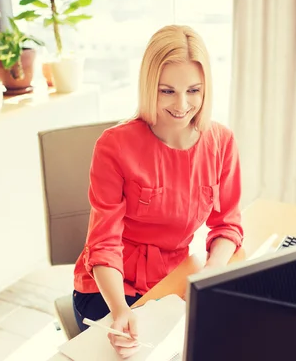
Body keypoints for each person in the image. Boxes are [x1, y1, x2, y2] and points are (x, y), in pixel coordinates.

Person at [71, 25, 243, 358]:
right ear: (150, 87)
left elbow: (229, 224)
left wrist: (212, 269)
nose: (182, 105)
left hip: (173, 281)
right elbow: (103, 244)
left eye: (194, 90)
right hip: (109, 290)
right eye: (167, 91)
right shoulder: (114, 146)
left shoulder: (221, 141)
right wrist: (120, 309)